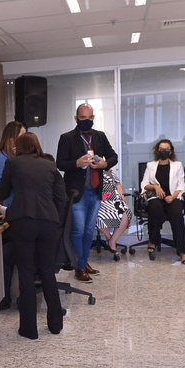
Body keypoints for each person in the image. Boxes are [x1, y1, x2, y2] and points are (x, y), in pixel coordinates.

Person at [0, 132, 67, 340]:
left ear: (18, 147)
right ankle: (55, 325)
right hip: (48, 223)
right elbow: (61, 198)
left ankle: (29, 329)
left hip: (23, 222)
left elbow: (3, 193)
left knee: (25, 274)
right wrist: (52, 215)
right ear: (37, 146)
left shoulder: (13, 163)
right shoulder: (50, 166)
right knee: (47, 272)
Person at [56, 103, 117, 283]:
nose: (87, 121)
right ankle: (78, 267)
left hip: (95, 191)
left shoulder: (99, 136)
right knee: (78, 230)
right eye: (83, 118)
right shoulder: (67, 138)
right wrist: (77, 163)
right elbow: (60, 163)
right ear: (76, 118)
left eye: (90, 117)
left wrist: (105, 164)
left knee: (89, 230)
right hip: (77, 193)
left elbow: (113, 156)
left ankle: (84, 261)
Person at [0, 121, 25, 310]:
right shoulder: (1, 157)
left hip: (21, 211)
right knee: (7, 253)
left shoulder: (20, 157)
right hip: (10, 209)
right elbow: (1, 186)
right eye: (21, 134)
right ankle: (5, 296)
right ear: (11, 138)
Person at [140, 139, 185, 264]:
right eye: (161, 149)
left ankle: (182, 251)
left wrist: (173, 197)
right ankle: (153, 240)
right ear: (157, 151)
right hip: (156, 197)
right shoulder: (150, 165)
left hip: (173, 197)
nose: (164, 151)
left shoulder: (177, 165)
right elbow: (144, 184)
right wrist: (155, 187)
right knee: (155, 209)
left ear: (171, 151)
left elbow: (181, 186)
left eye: (166, 149)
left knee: (176, 215)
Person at [96, 167, 131, 261]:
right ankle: (109, 239)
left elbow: (117, 184)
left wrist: (122, 195)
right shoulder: (90, 172)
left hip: (115, 199)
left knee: (125, 214)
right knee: (98, 215)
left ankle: (112, 240)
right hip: (99, 199)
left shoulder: (109, 172)